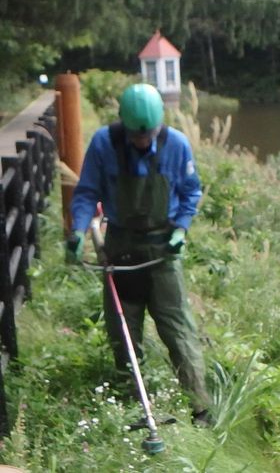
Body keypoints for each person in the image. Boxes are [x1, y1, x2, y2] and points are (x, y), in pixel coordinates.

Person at [66, 83, 211, 426]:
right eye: (136, 135)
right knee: (123, 329)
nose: (143, 141)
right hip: (121, 248)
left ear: (159, 124)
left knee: (178, 330)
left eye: (149, 134)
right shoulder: (104, 143)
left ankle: (201, 407)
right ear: (124, 124)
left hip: (163, 251)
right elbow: (87, 192)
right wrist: (78, 230)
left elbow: (191, 192)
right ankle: (135, 404)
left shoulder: (177, 144)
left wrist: (181, 229)